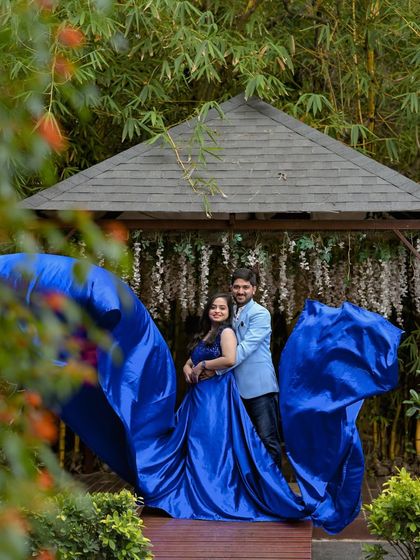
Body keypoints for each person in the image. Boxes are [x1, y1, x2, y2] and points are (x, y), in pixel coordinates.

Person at [193, 268, 283, 469]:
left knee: (266, 439)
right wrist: (191, 363)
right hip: (232, 389)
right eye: (236, 287)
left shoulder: (260, 313)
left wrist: (215, 369)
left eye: (245, 287)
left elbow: (243, 349)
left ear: (254, 289)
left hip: (259, 387)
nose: (240, 291)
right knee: (241, 441)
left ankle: (275, 492)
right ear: (231, 288)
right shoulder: (228, 312)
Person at [182, 293, 237, 385]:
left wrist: (203, 364)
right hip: (197, 388)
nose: (217, 311)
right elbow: (195, 357)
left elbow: (230, 360)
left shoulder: (227, 332)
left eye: (222, 308)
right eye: (213, 307)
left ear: (229, 312)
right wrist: (186, 367)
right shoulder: (205, 333)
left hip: (216, 387)